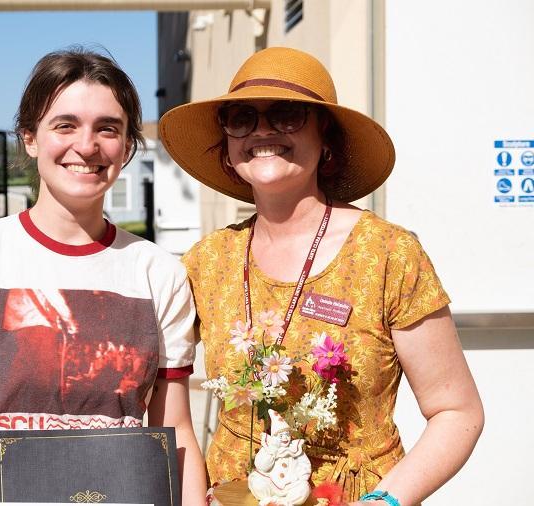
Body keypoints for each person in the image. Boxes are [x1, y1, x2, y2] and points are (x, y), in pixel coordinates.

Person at [159, 47, 483, 505]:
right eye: (241, 118)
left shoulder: (389, 254)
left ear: (324, 136)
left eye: (287, 115)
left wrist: (386, 501)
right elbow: (161, 402)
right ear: (229, 147)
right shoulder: (206, 261)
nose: (263, 131)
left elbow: (456, 410)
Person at [0, 48, 207, 505]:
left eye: (107, 128)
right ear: (29, 137)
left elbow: (175, 428)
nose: (86, 146)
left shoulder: (159, 272)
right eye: (65, 125)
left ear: (127, 146)